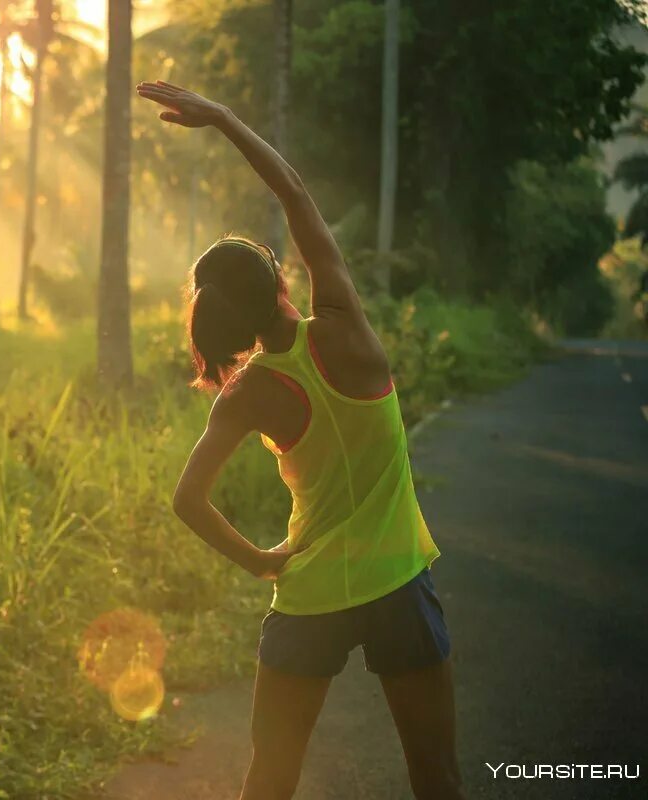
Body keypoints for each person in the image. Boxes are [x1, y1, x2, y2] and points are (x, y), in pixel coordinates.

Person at [137, 80, 463, 800]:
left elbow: (188, 501)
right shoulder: (344, 324)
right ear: (281, 277)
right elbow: (295, 194)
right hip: (399, 583)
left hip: (308, 594)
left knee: (270, 780)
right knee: (436, 778)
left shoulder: (246, 394)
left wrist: (260, 562)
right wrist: (223, 117)